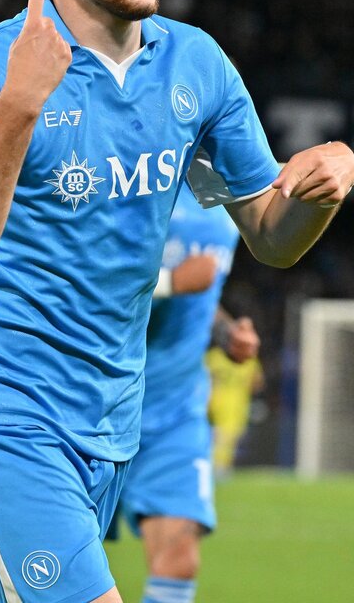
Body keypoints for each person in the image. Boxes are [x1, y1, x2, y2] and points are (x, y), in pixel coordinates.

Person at [0, 0, 354, 603]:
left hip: (110, 423)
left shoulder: (197, 64)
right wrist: (21, 102)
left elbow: (272, 237)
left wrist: (324, 189)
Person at [112, 191, 260, 603]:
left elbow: (202, 296)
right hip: (92, 407)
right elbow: (78, 275)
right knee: (41, 567)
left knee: (179, 559)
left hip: (175, 413)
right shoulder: (127, 172)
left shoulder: (227, 194)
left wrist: (225, 332)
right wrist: (171, 282)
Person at [205, 341, 265, 478]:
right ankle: (219, 468)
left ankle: (219, 466)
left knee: (223, 436)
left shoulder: (214, 357)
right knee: (227, 437)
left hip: (218, 401)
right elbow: (258, 382)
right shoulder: (247, 358)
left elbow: (203, 377)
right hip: (237, 403)